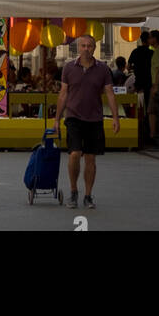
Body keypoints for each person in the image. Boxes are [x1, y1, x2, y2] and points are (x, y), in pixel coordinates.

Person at [55, 34, 120, 211]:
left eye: (89, 46)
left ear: (94, 48)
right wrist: (57, 119)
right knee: (75, 154)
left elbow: (110, 94)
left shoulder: (103, 69)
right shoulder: (69, 68)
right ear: (78, 48)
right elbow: (63, 94)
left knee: (90, 158)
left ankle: (88, 195)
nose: (86, 49)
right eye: (83, 46)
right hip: (74, 117)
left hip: (94, 119)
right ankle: (74, 190)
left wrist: (115, 118)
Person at [127, 30, 153, 118]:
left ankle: (139, 122)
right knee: (149, 105)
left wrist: (136, 68)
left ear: (141, 40)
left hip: (138, 83)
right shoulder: (152, 53)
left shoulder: (135, 51)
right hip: (149, 82)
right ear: (149, 40)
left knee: (139, 106)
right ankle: (147, 122)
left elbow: (128, 67)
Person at [147, 30, 159, 140]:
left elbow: (158, 69)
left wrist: (155, 86)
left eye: (150, 37)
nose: (148, 40)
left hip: (157, 85)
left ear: (155, 39)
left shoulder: (158, 51)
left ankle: (153, 135)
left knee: (151, 111)